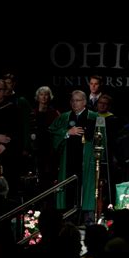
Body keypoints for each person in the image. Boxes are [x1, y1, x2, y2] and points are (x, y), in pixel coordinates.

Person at [49, 90, 97, 226]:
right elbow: (52, 132)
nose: (75, 103)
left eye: (78, 100)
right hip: (67, 159)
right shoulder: (64, 117)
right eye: (73, 100)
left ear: (85, 102)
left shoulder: (94, 116)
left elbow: (101, 136)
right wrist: (67, 132)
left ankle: (88, 218)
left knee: (87, 187)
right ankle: (68, 218)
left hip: (87, 159)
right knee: (68, 186)